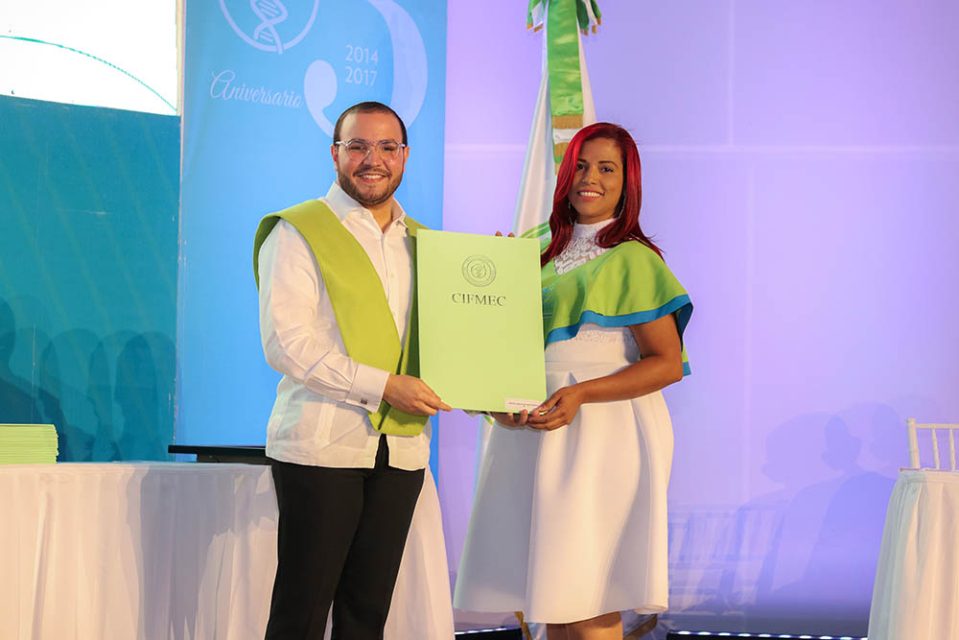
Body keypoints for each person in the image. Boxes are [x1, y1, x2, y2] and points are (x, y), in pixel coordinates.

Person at [454, 122, 693, 640]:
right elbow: (499, 344)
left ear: (628, 182)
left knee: (587, 598)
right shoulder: (531, 247)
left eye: (607, 168)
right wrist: (495, 401)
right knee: (552, 598)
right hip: (531, 432)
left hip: (604, 435)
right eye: (581, 166)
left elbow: (667, 364)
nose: (590, 178)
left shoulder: (635, 258)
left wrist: (581, 393)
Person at [253, 101, 451, 639]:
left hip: (402, 450)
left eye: (387, 147)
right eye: (357, 146)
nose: (372, 159)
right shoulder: (298, 231)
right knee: (301, 614)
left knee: (367, 616)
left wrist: (490, 288)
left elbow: (447, 344)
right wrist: (384, 387)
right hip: (322, 445)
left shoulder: (427, 244)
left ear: (405, 156)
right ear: (335, 153)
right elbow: (288, 344)